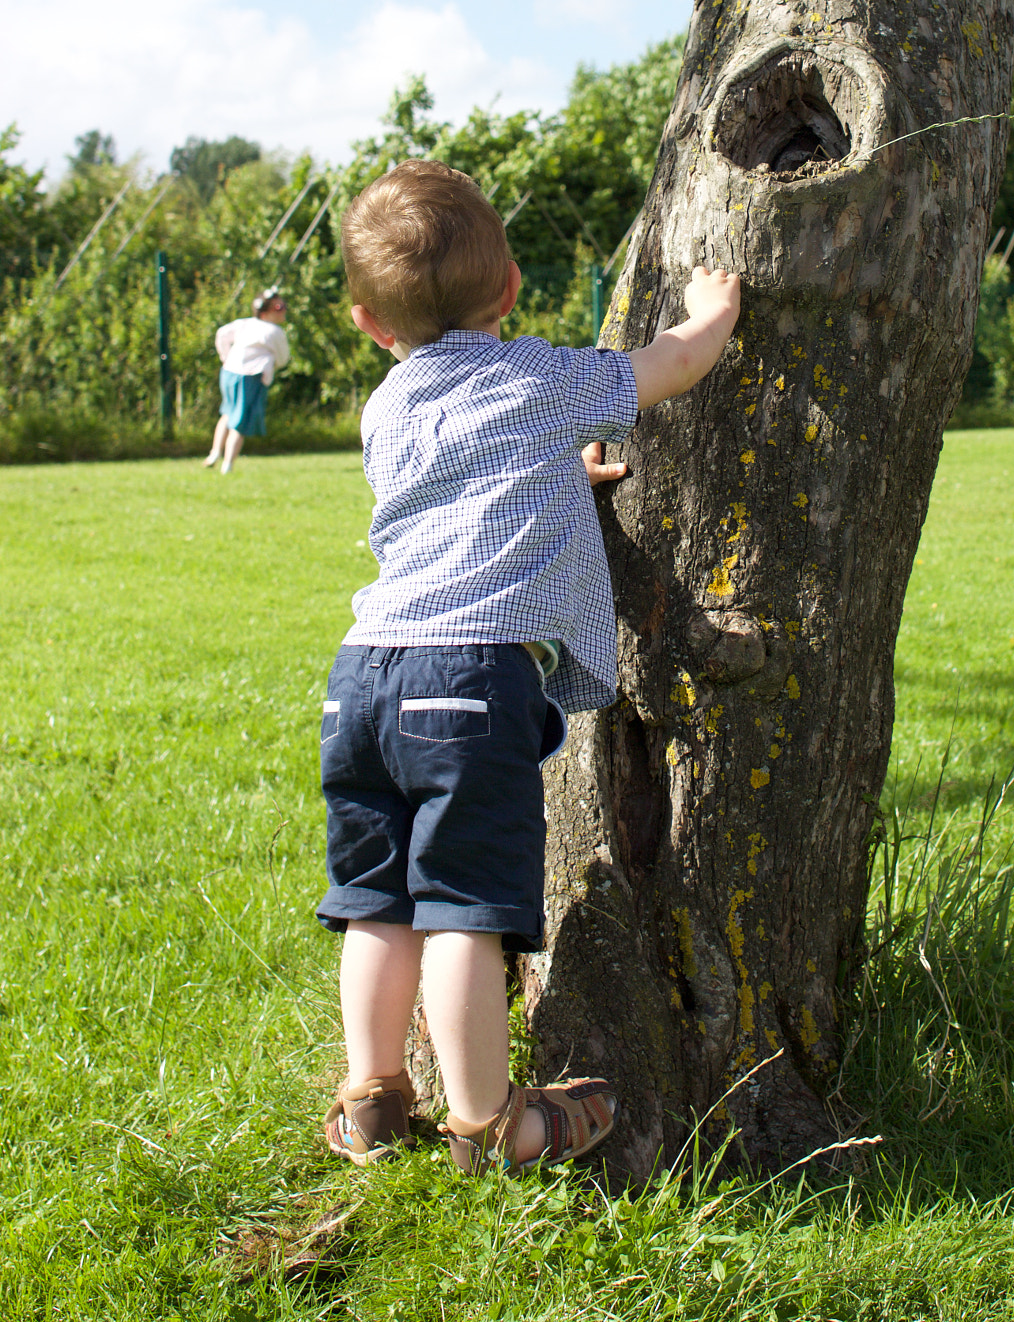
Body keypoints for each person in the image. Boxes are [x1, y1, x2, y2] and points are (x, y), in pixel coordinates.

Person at [319, 159, 741, 1175]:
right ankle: (488, 1120)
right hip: (466, 681)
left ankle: (371, 1098)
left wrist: (554, 463)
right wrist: (716, 304)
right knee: (467, 910)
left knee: (376, 902)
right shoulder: (540, 377)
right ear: (508, 289)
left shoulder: (386, 407)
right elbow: (672, 363)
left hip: (364, 676)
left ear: (370, 322)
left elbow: (463, 484)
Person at [205, 286, 290, 475]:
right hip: (250, 377)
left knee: (227, 413)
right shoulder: (274, 332)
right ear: (266, 311)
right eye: (279, 307)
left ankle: (214, 453)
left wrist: (225, 357)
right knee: (240, 421)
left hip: (228, 372)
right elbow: (283, 358)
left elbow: (222, 334)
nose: (284, 310)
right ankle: (228, 464)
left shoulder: (244, 324)